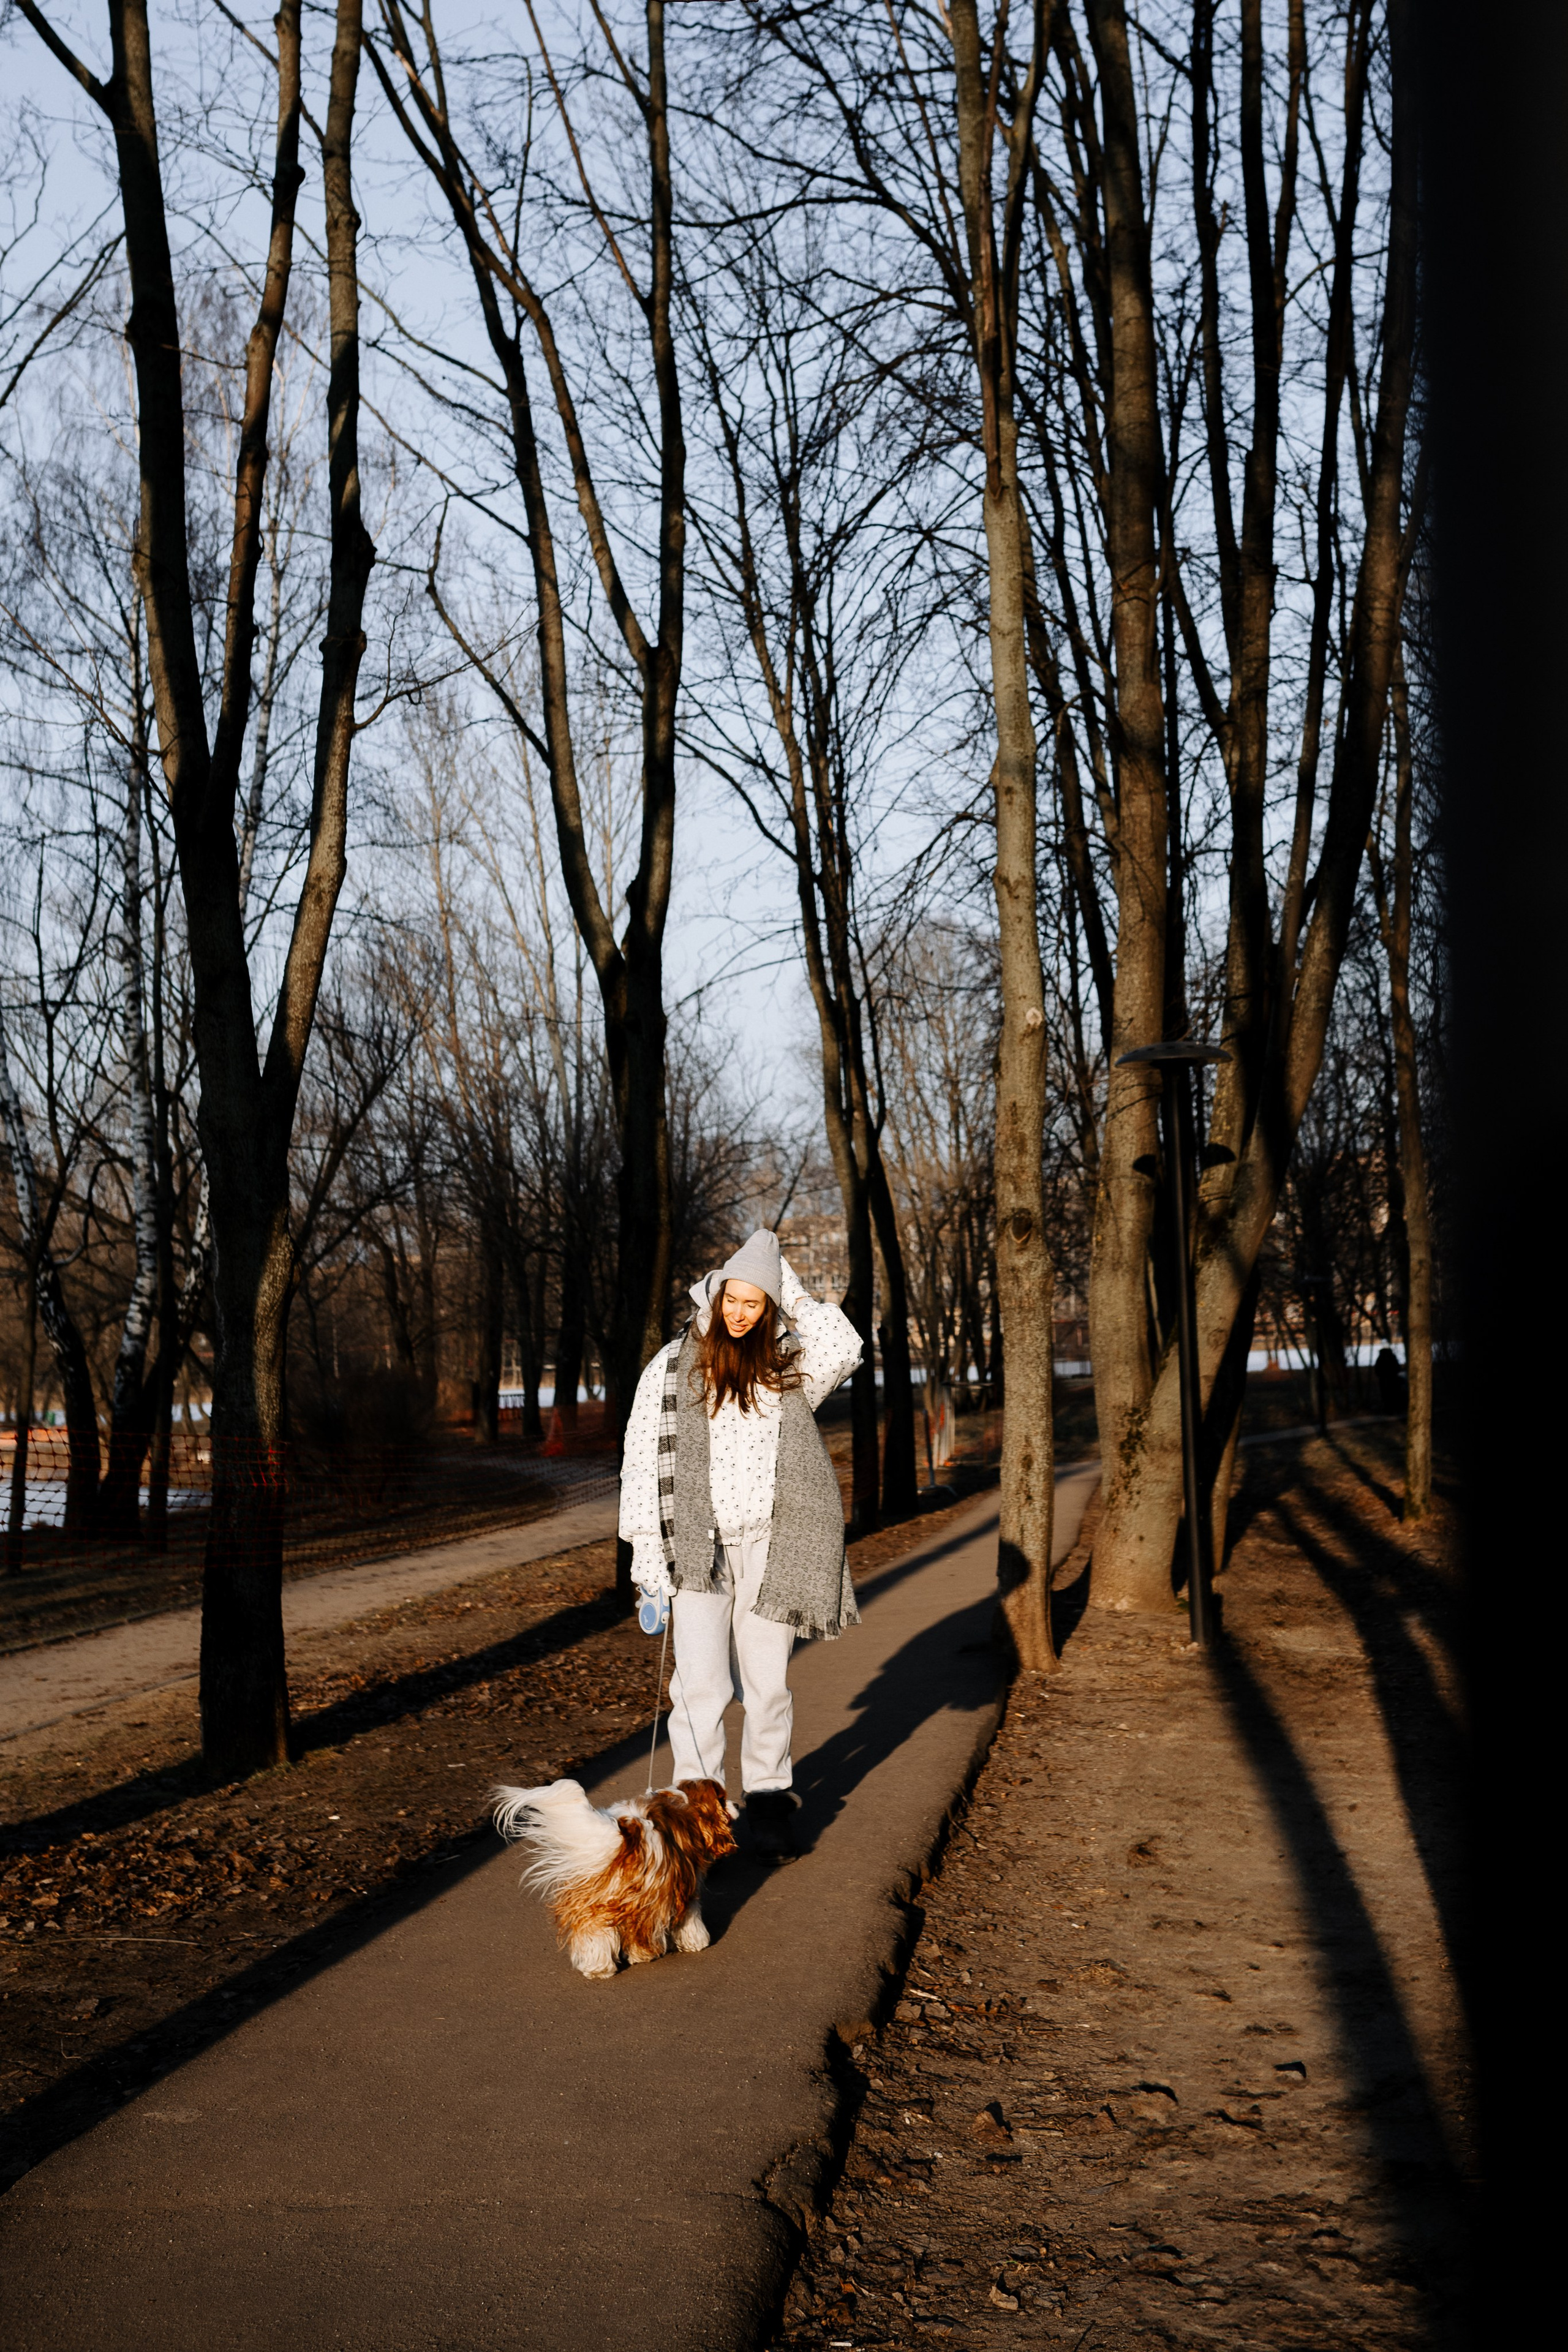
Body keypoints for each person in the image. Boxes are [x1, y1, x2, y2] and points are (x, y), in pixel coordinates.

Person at [619, 1230, 861, 1862]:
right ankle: (695, 1815)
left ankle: (770, 1801)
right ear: (716, 1294)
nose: (739, 1311)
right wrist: (648, 1559)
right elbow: (642, 1463)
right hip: (697, 1553)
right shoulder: (673, 1367)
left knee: (767, 1686)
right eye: (733, 1298)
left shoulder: (787, 1370)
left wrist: (792, 1285)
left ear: (769, 1308)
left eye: (755, 1302)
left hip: (769, 1547)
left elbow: (846, 1344)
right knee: (700, 1687)